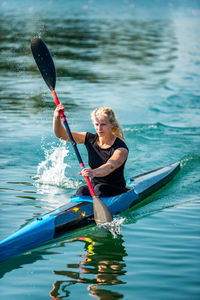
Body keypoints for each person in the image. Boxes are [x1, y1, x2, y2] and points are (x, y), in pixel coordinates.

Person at [53, 104, 128, 197]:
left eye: (103, 124)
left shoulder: (121, 148)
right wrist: (56, 117)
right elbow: (61, 134)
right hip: (95, 186)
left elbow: (110, 166)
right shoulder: (89, 138)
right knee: (81, 190)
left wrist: (93, 172)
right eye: (97, 124)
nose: (99, 128)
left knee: (99, 189)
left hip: (115, 188)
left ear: (112, 124)